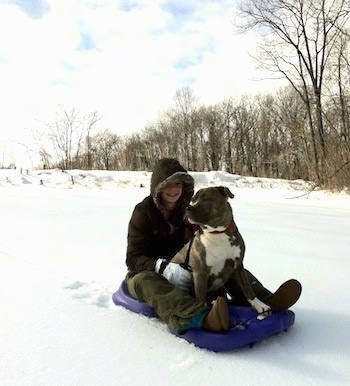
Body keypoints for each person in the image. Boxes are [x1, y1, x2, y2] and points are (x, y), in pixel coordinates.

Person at [125, 158, 302, 334]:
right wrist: (163, 267)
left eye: (177, 184)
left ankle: (266, 300)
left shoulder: (192, 209)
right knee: (146, 282)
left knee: (228, 263)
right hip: (151, 273)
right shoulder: (143, 213)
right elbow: (133, 258)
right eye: (168, 184)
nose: (173, 189)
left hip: (191, 270)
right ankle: (199, 317)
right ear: (158, 186)